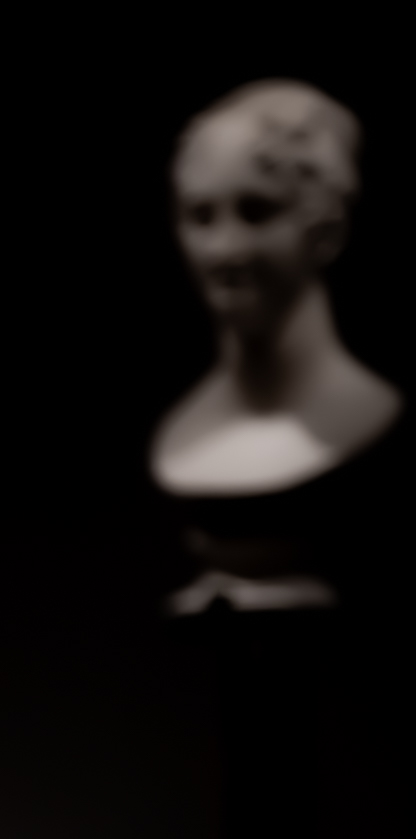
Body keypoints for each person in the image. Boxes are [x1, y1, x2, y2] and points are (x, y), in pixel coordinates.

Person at [152, 79, 401, 615]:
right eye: (200, 216)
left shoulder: (372, 422)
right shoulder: (180, 436)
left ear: (327, 229)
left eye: (257, 211)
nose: (224, 250)